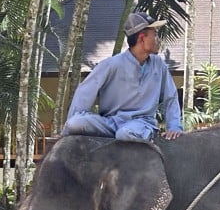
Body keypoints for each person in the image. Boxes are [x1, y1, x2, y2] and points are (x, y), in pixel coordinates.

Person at [62, 11, 183, 142]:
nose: (157, 39)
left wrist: (174, 126)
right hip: (110, 123)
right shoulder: (111, 65)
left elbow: (170, 97)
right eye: (155, 35)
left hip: (141, 123)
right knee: (74, 123)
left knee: (125, 134)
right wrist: (68, 131)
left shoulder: (159, 64)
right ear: (142, 38)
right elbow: (84, 94)